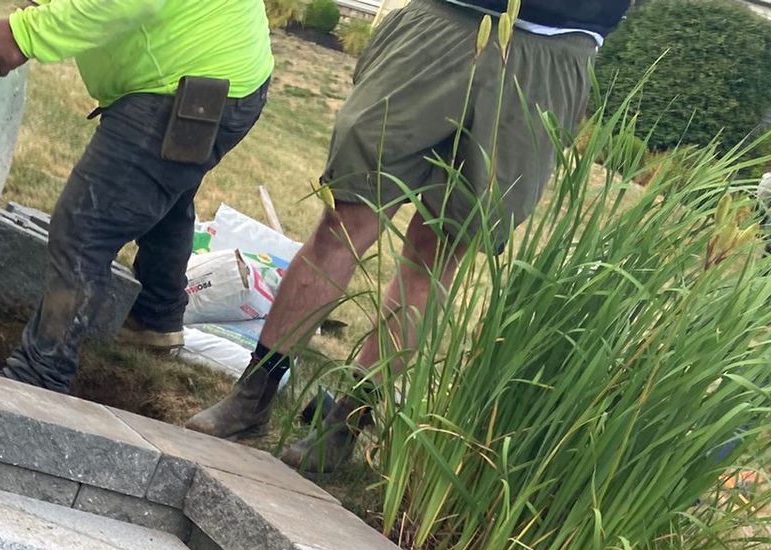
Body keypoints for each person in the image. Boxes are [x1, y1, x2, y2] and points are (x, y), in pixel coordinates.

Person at [186, 0, 630, 474]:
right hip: (446, 20)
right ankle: (254, 394)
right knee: (344, 220)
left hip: (552, 52)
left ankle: (345, 423)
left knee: (437, 251)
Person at [0, 0, 273, 393]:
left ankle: (40, 373)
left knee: (86, 225)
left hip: (191, 82)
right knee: (165, 190)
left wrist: (24, 34)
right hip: (220, 71)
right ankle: (154, 318)